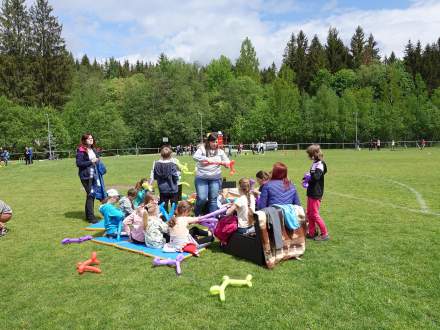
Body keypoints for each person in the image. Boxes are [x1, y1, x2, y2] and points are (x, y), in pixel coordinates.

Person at [193, 132, 230, 215]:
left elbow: (227, 162)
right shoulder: (202, 149)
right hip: (202, 178)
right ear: (209, 141)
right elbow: (195, 157)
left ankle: (212, 218)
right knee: (202, 198)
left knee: (213, 199)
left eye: (217, 142)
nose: (215, 144)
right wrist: (205, 159)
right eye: (213, 142)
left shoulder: (220, 151)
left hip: (215, 179)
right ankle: (196, 214)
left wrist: (226, 164)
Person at [305, 144, 329, 241]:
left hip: (316, 192)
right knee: (310, 213)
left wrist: (309, 178)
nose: (309, 156)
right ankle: (312, 232)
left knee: (314, 214)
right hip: (311, 191)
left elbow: (316, 177)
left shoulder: (320, 164)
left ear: (315, 153)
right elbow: (312, 175)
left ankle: (324, 234)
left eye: (310, 154)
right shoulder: (315, 163)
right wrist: (305, 178)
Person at [76, 133, 100, 223]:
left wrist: (97, 160)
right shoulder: (81, 150)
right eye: (89, 138)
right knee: (91, 194)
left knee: (91, 195)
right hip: (86, 176)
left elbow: (96, 159)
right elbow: (79, 163)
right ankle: (91, 217)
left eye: (92, 138)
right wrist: (91, 162)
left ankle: (88, 215)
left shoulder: (92, 149)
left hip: (94, 174)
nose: (91, 139)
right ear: (84, 140)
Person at [150, 145, 179, 212]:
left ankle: (164, 218)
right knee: (174, 205)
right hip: (173, 188)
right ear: (170, 155)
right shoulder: (172, 164)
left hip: (162, 189)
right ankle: (174, 217)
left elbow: (155, 176)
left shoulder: (156, 164)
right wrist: (177, 180)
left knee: (163, 205)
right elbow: (175, 176)